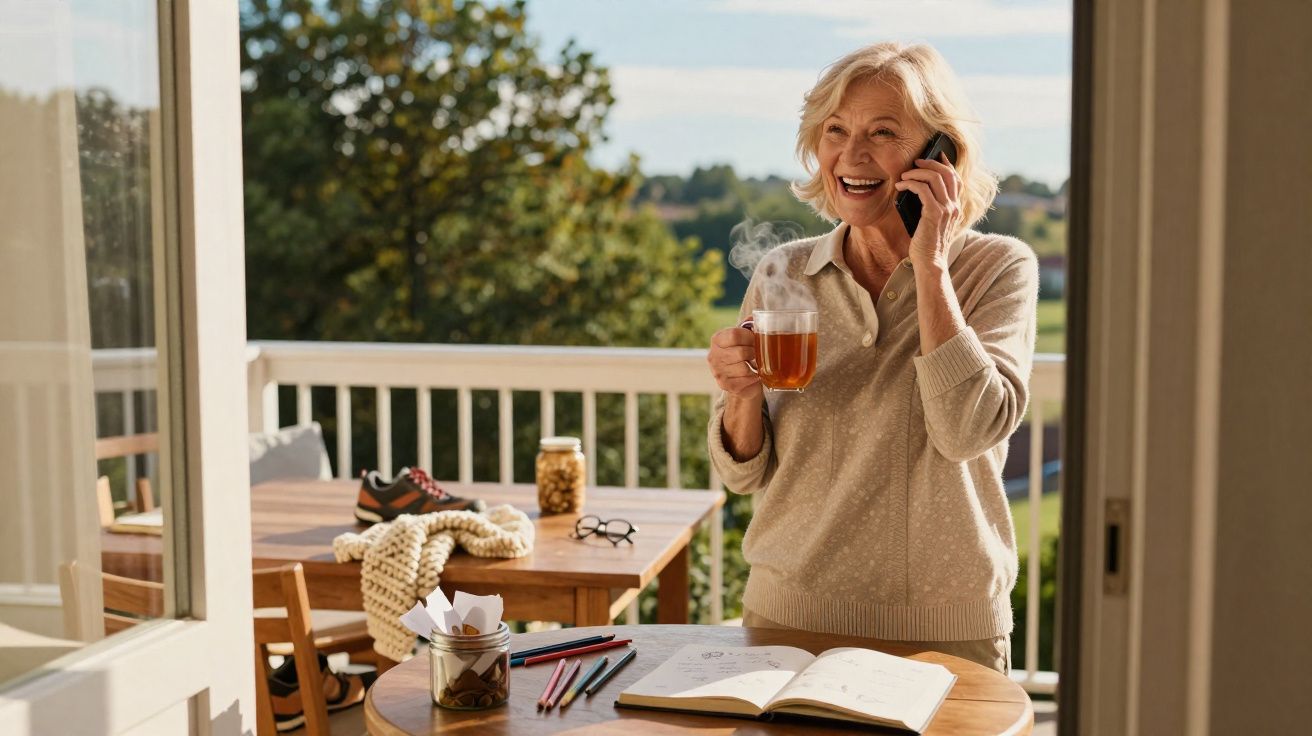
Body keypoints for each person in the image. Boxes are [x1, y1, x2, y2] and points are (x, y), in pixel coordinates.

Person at [706, 42, 1038, 674]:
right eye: (836, 130)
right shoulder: (784, 271)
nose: (852, 156)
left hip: (944, 629)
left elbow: (968, 430)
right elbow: (744, 474)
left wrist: (931, 263)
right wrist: (743, 395)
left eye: (883, 133)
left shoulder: (996, 268)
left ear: (939, 156)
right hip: (788, 617)